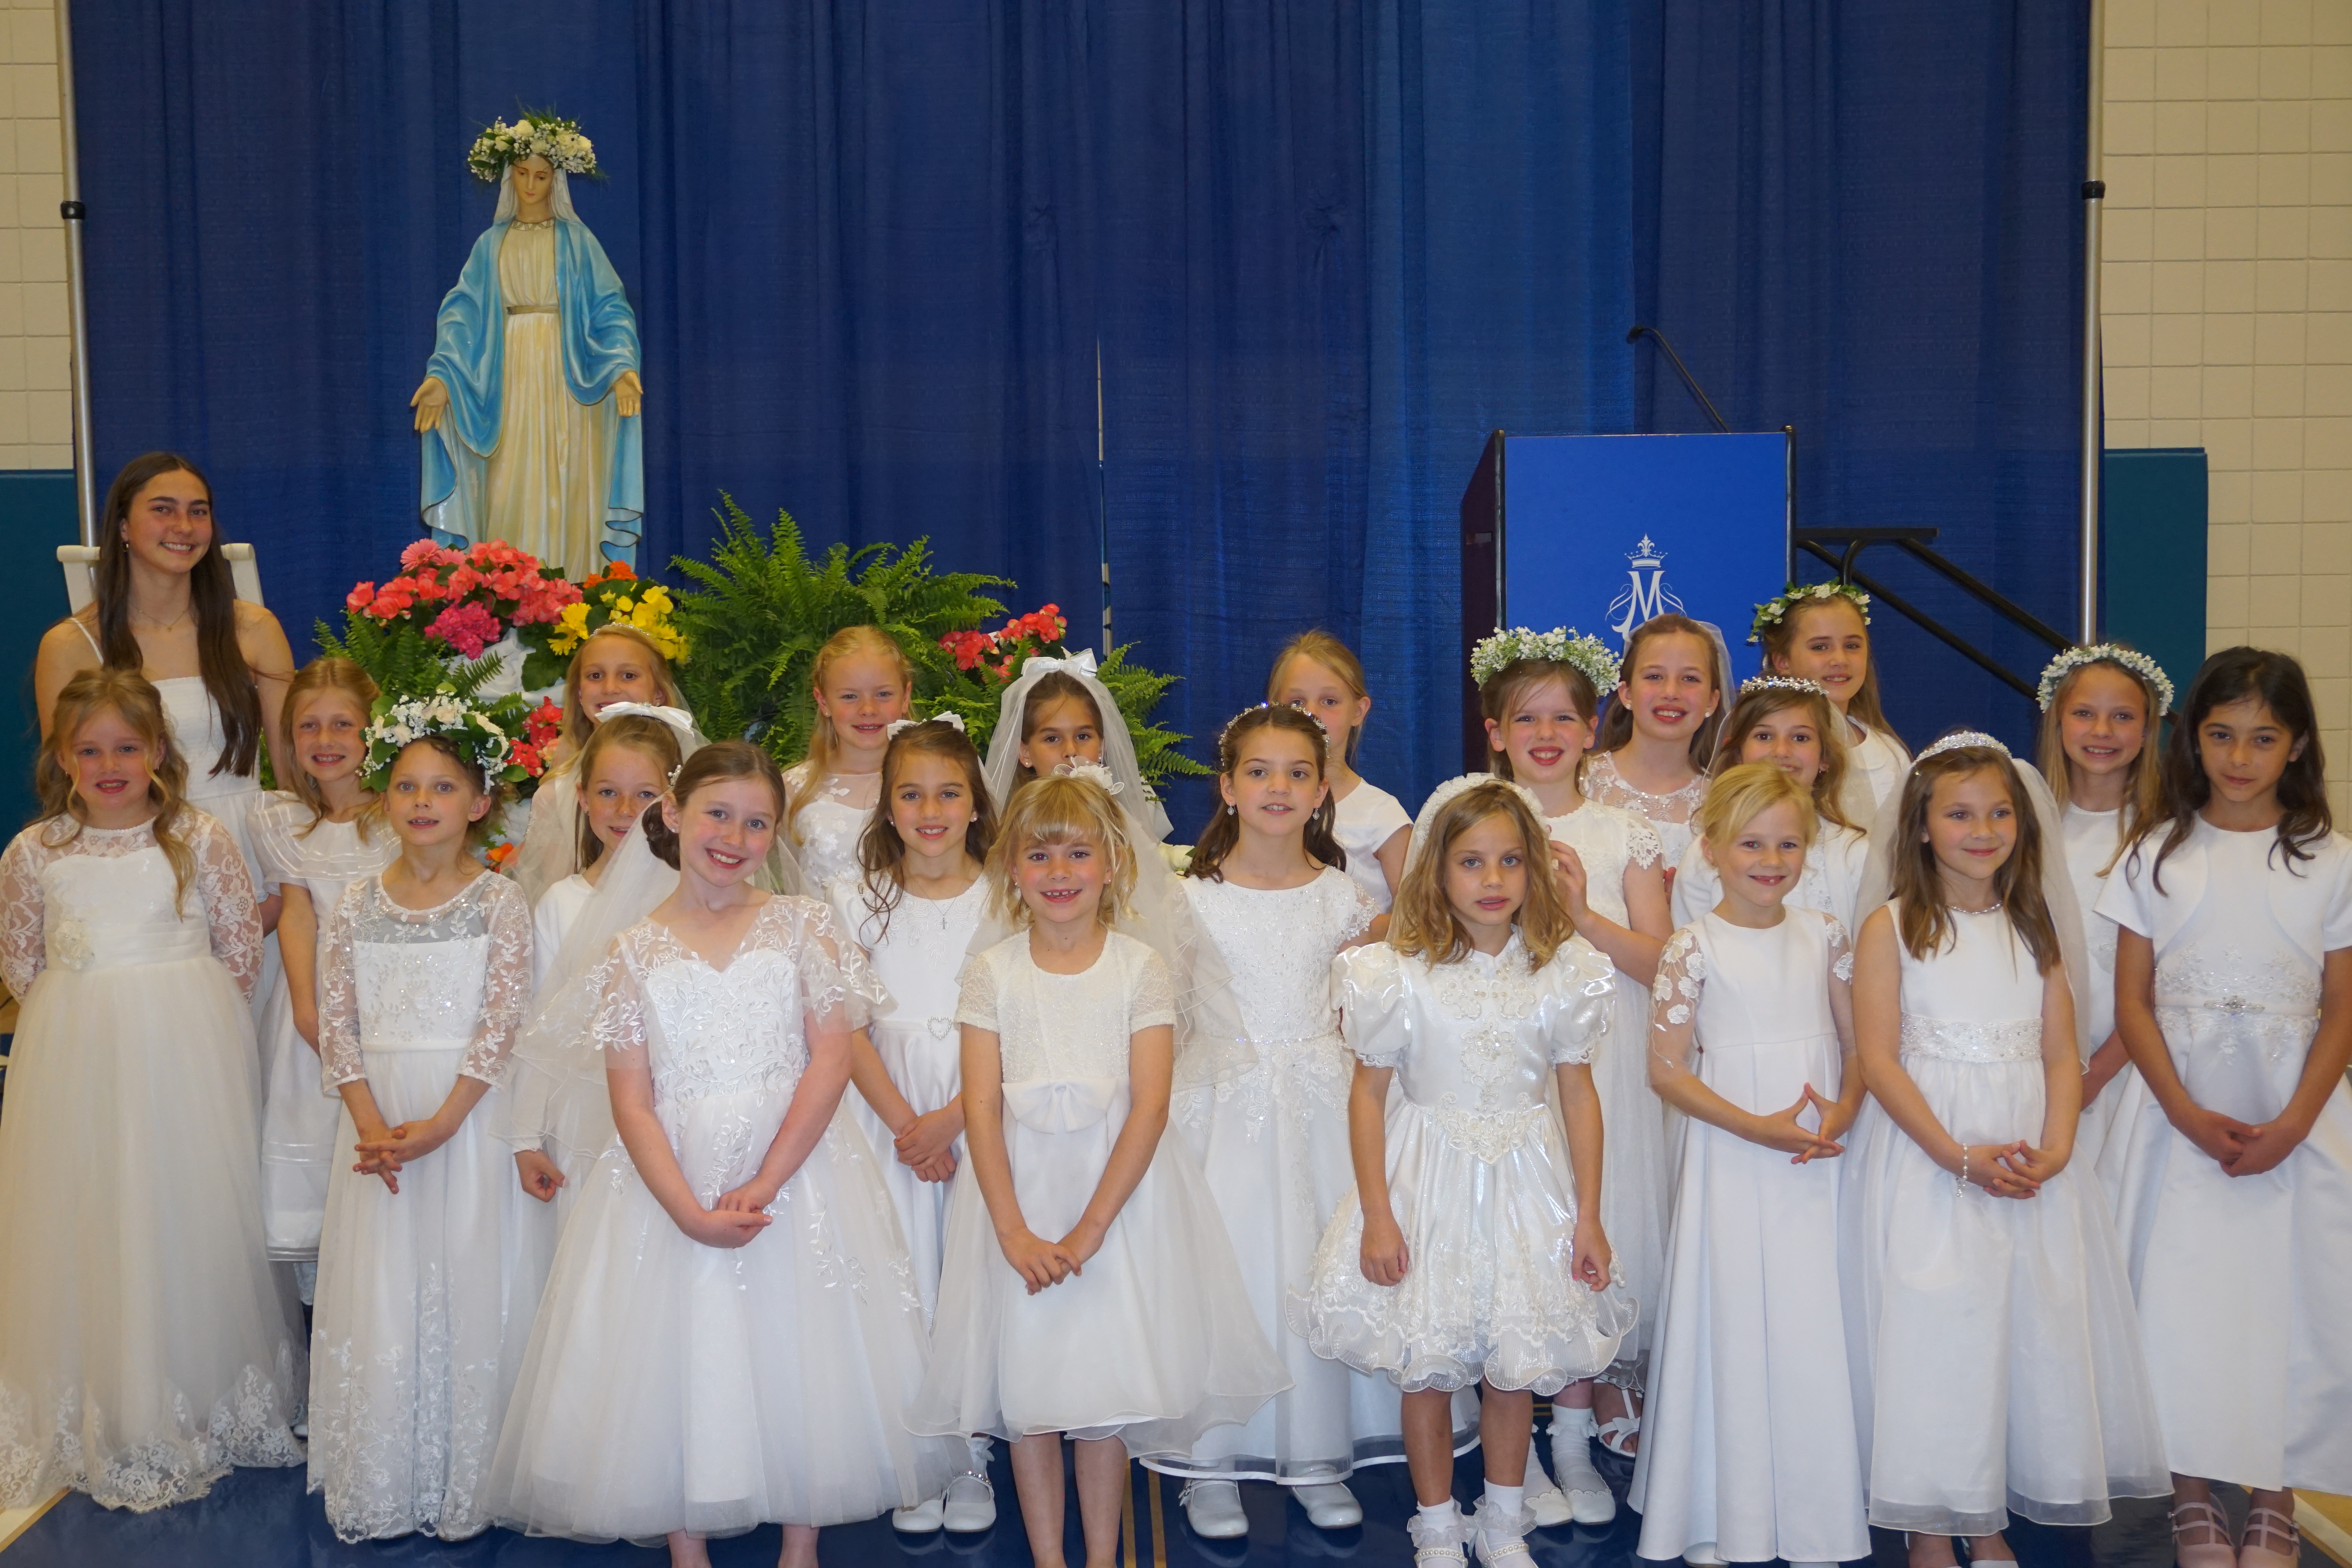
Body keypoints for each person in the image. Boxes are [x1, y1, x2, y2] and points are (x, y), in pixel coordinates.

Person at [486, 742, 952, 1568]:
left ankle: (801, 1538)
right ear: (672, 813)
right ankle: (686, 1540)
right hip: (672, 1176)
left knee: (804, 1335)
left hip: (798, 1166)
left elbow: (832, 1057)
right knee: (680, 1340)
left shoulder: (802, 923)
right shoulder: (631, 948)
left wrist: (768, 1177)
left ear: (775, 833)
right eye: (718, 813)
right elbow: (630, 1096)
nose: (734, 835)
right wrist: (688, 1208)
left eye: (757, 821)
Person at [909, 773, 1288, 1568]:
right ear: (1011, 866)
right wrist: (1012, 1228)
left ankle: (1104, 1554)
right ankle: (1049, 1556)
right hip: (1018, 1200)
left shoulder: (1139, 967)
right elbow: (980, 1107)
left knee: (1102, 1395)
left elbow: (1149, 1105)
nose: (1059, 870)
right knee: (1033, 1392)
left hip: (1114, 1205)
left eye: (1078, 852)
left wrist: (1089, 1228)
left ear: (1112, 864)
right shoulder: (995, 971)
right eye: (1040, 853)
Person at [1295, 775, 1635, 1568]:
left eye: (1511, 861)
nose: (1492, 880)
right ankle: (1439, 1521)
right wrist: (1379, 1212)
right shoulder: (1394, 972)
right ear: (1438, 872)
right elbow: (1369, 1097)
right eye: (1472, 861)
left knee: (1512, 1368)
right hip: (1427, 1184)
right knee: (1430, 1364)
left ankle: (1505, 1518)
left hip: (1526, 1180)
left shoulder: (1563, 970)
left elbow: (1578, 1097)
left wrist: (1588, 1212)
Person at [1843, 734, 2165, 1567]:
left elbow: (2062, 1050)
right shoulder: (1891, 926)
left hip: (2028, 1154)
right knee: (1933, 1328)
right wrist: (1956, 1154)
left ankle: (1984, 1517)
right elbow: (1878, 1057)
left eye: (1998, 813)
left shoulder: (2037, 925)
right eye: (1958, 814)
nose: (1982, 829)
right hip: (1931, 1155)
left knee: (2010, 1328)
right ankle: (1927, 1524)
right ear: (1920, 826)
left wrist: (2058, 1144)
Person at [0, 669, 303, 1510]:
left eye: (126, 747)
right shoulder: (35, 851)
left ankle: (188, 1389)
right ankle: (91, 1393)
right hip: (76, 1055)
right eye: (88, 748)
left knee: (179, 1210)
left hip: (182, 1054)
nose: (108, 763)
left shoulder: (198, 836)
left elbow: (240, 946)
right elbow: (21, 962)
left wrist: (187, 1020)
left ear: (159, 752)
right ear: (61, 757)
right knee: (87, 1210)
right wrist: (84, 1015)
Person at [1151, 704, 1438, 1539]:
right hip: (1221, 1104)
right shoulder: (1185, 898)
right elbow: (1166, 1013)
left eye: (1298, 772)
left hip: (1320, 1099)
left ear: (1321, 792)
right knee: (1228, 1275)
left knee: (1319, 1268)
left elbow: (1361, 1006)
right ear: (1228, 786)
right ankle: (1209, 1459)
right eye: (1259, 771)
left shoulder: (1345, 897)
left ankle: (1317, 1451)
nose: (1278, 786)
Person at [2100, 648, 2352, 1568]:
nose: (2239, 756)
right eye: (2220, 734)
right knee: (2180, 1302)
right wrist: (2184, 1111)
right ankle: (2193, 1493)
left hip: (2294, 1111)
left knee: (2288, 1303)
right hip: (2179, 1111)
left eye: (2262, 737)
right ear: (2192, 740)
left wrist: (2294, 1122)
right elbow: (2133, 1000)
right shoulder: (2156, 851)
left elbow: (2343, 1005)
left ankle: (2276, 1494)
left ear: (2295, 747)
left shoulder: (2330, 860)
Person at [306, 699, 544, 1543]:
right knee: (386, 1287)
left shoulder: (500, 901)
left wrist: (443, 1121)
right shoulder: (356, 903)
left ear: (480, 802)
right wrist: (371, 1123)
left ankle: (467, 1473)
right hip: (377, 1128)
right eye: (406, 784)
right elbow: (337, 1023)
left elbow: (504, 1021)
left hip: (466, 1117)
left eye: (443, 785)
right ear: (382, 797)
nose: (421, 800)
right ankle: (387, 1470)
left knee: (468, 1279)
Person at [1627, 763, 1869, 1568]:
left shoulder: (1827, 931)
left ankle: (1816, 1511)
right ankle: (1712, 1509)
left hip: (1814, 1152)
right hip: (1734, 1155)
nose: (1772, 860)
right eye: (1752, 843)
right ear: (1713, 848)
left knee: (1809, 1316)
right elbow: (1667, 1067)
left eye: (1789, 844)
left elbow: (1858, 1041)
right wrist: (1755, 1127)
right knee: (1729, 1315)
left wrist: (1841, 1108)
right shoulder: (1692, 946)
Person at [1475, 628, 1667, 1519]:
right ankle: (1521, 1451)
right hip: (1503, 1072)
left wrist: (1580, 910)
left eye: (1563, 717)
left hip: (1600, 1064)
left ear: (1593, 729)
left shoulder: (1622, 830)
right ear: (1496, 731)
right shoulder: (1471, 815)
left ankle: (1575, 1439)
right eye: (1527, 718)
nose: (1546, 733)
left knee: (1589, 1244)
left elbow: (1662, 961)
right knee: (1519, 1252)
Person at [828, 715, 1002, 1536]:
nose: (930, 808)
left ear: (975, 802)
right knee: (899, 1275)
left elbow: (1023, 1019)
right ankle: (911, 1449)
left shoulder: (1008, 893)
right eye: (911, 793)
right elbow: (843, 1025)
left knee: (969, 1277)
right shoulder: (852, 899)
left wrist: (953, 1120)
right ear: (886, 807)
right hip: (882, 1111)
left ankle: (970, 1448)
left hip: (983, 1108)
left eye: (948, 791)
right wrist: (906, 1123)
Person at [34, 452, 296, 900]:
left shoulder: (254, 629)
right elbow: (69, 785)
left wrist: (287, 886)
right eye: (163, 509)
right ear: (123, 528)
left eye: (198, 511)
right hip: (135, 865)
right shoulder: (70, 644)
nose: (184, 525)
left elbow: (294, 773)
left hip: (251, 858)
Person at [412, 117, 643, 578]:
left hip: (571, 379)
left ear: (555, 179)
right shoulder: (491, 245)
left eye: (542, 175)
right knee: (508, 485)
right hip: (508, 379)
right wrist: (442, 377)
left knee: (570, 484)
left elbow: (610, 308)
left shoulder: (578, 243)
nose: (531, 184)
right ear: (508, 176)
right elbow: (461, 316)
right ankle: (509, 597)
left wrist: (620, 366)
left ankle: (572, 591)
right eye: (522, 173)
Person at [250, 658, 399, 1294]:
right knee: (314, 1132)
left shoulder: (400, 814)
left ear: (376, 731)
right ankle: (325, 1301)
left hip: (386, 1001)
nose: (326, 739)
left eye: (343, 724)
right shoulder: (285, 823)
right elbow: (297, 914)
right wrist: (309, 1011)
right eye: (308, 726)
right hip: (309, 1009)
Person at [2031, 644, 2171, 1176]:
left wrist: (2097, 1076)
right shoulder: (2026, 828)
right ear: (2057, 720)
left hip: (2127, 1068)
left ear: (2147, 729)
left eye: (2123, 717)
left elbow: (2161, 979)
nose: (2102, 731)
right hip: (2040, 1067)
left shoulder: (2163, 838)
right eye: (2084, 714)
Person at [508, 624, 689, 907]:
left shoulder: (694, 782)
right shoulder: (555, 796)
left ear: (659, 694)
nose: (610, 688)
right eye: (595, 676)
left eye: (628, 675)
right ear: (579, 693)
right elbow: (554, 899)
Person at [1670, 675, 1870, 929]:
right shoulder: (1706, 853)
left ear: (1825, 757)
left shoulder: (1854, 853)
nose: (1782, 751)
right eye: (1764, 736)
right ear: (1738, 754)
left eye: (1800, 738)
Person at [1270, 631, 1412, 911]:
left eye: (1330, 702)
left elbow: (1415, 922)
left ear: (1358, 711)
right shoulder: (1265, 803)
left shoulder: (1382, 816)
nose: (1311, 714)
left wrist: (1351, 933)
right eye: (1297, 703)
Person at [1752, 581, 1908, 824]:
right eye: (1820, 647)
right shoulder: (1768, 746)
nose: (1840, 659)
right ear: (1783, 662)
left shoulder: (1889, 753)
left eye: (1852, 646)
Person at [1582, 613, 1730, 871]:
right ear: (1627, 693)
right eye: (1654, 677)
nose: (1671, 693)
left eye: (1690, 679)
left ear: (1712, 701)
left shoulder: (1724, 800)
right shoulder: (1581, 781)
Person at [786, 626, 914, 890]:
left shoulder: (936, 781)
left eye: (883, 694)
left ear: (906, 697)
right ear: (823, 702)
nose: (868, 709)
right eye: (850, 697)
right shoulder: (793, 790)